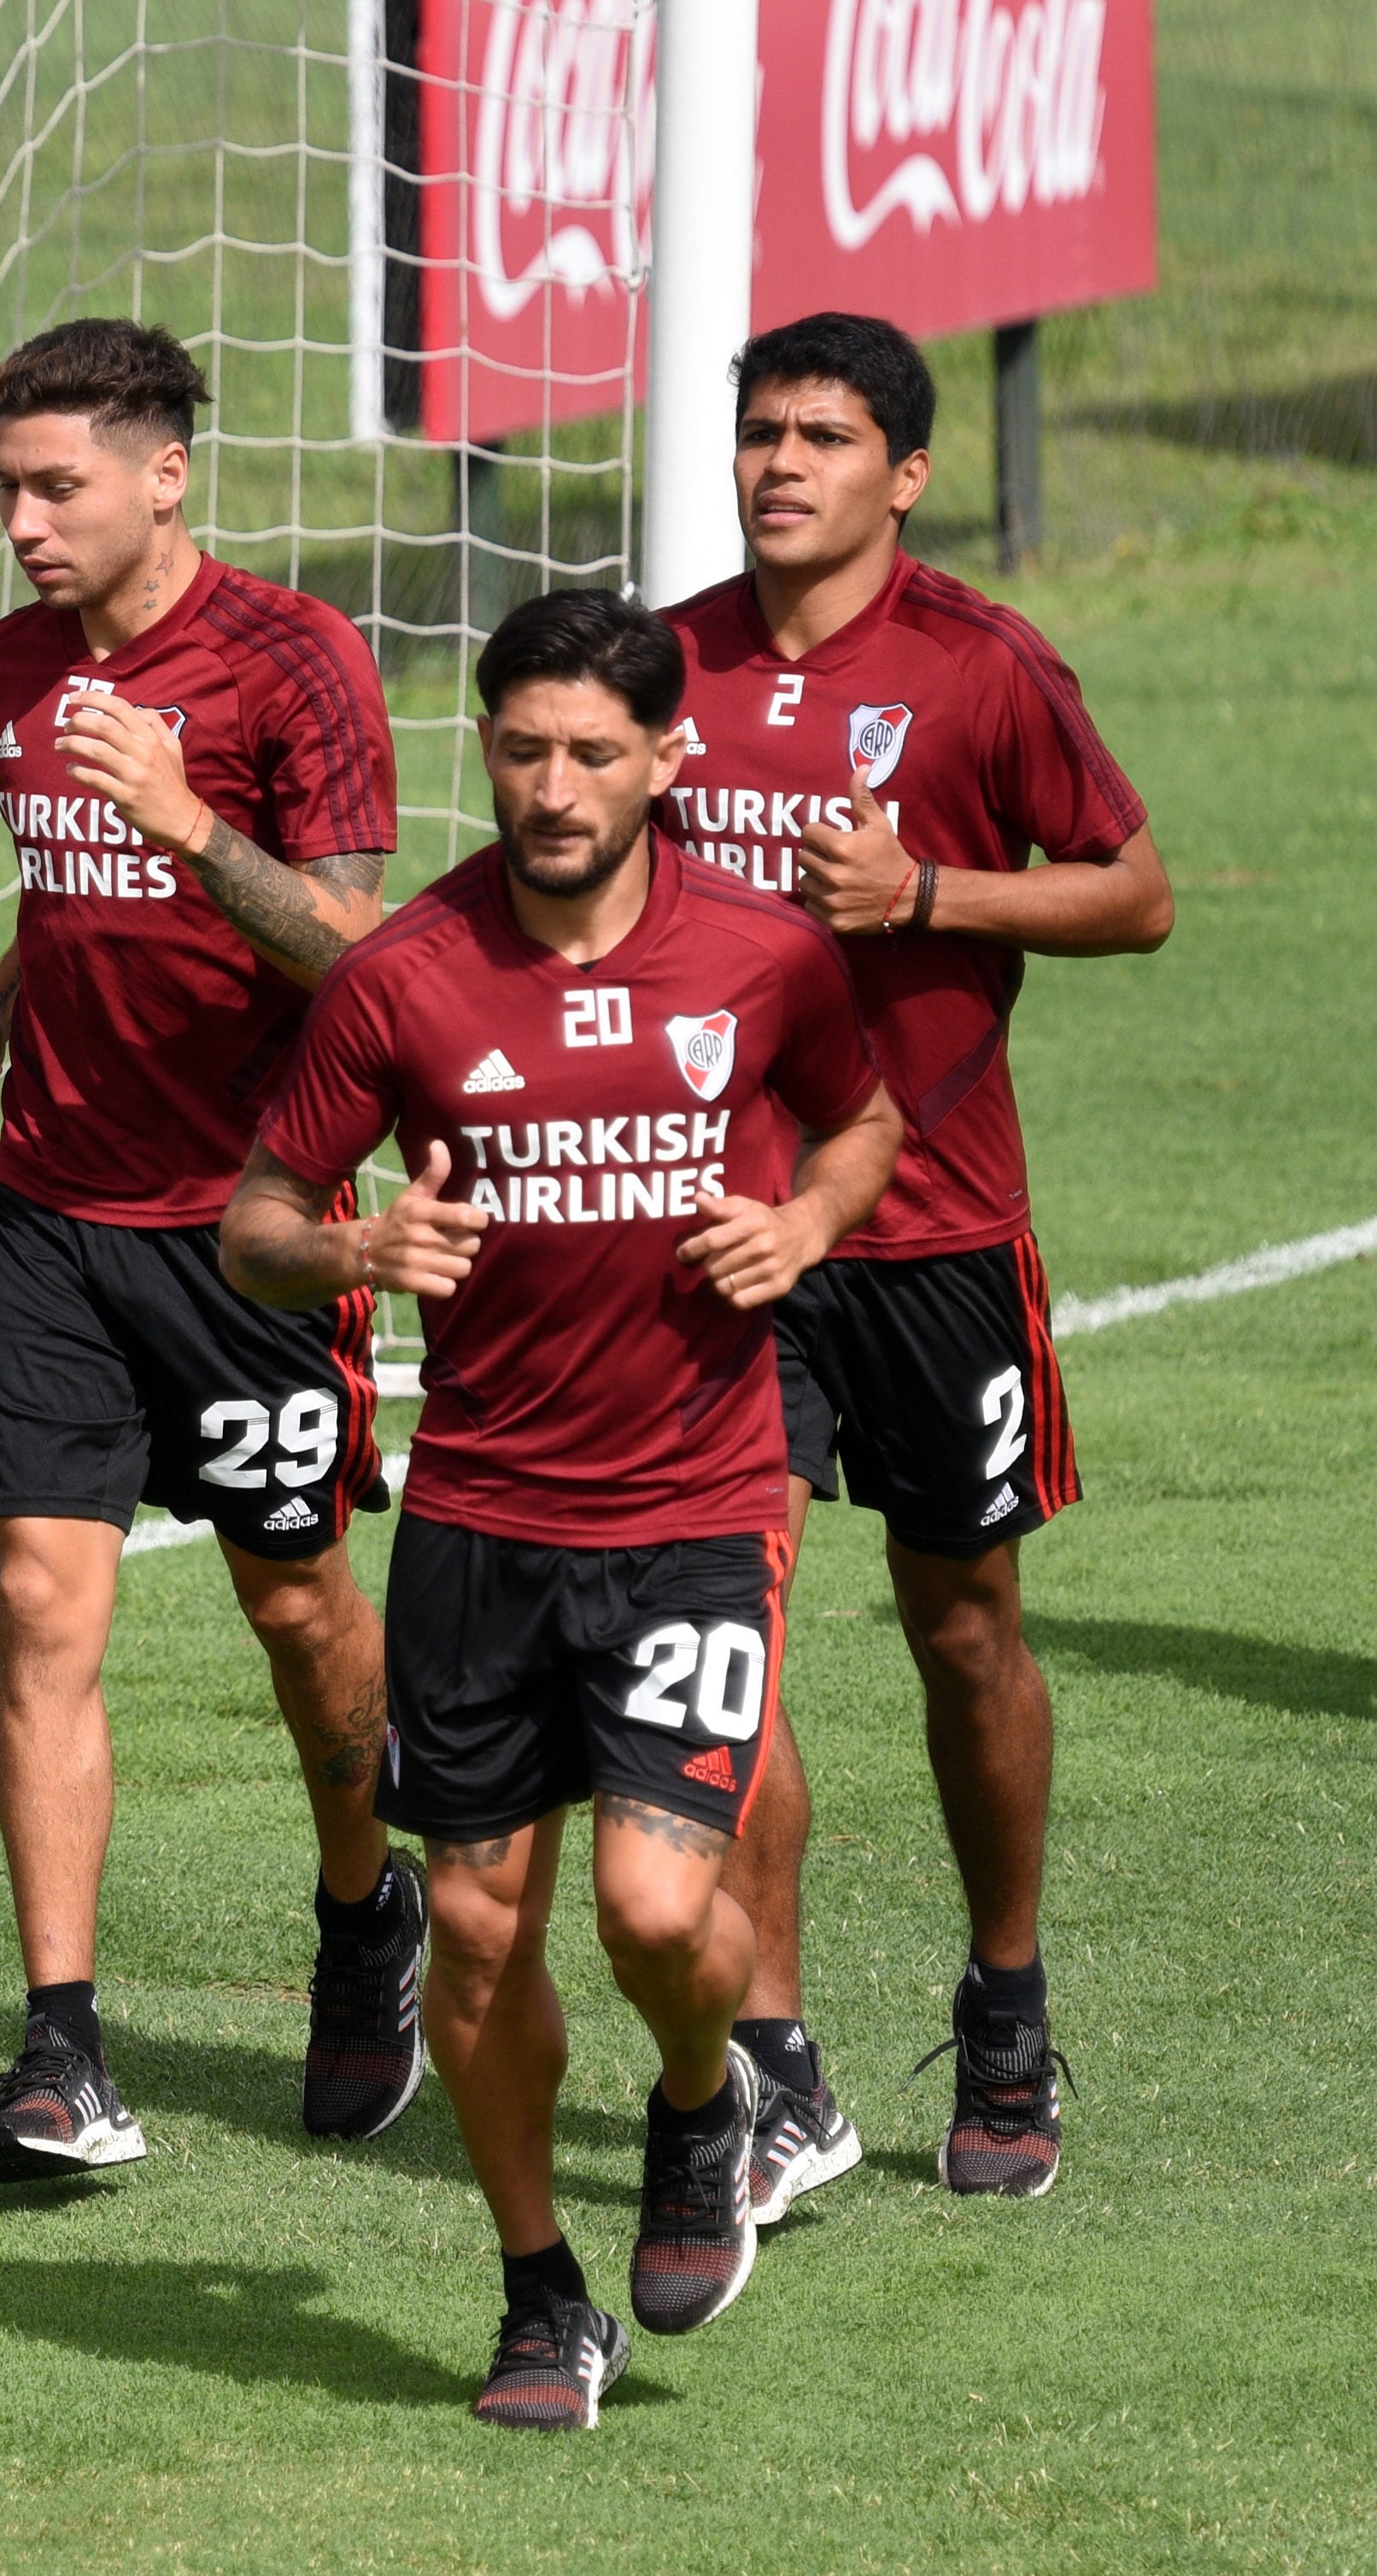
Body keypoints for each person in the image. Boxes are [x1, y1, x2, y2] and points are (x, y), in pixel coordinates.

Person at [225, 588, 899, 2431]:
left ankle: (704, 2103)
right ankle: (541, 2293)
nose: (552, 783)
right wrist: (357, 1239)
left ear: (667, 760)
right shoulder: (404, 976)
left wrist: (809, 1223)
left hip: (693, 1500)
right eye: (521, 744)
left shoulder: (766, 957)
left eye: (594, 749)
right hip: (480, 1521)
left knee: (658, 1905)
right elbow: (258, 1216)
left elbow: (861, 1123)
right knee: (473, 1926)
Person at [662, 313, 1171, 2211]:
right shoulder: (670, 665)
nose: (781, 462)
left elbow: (1136, 888)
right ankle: (777, 2057)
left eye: (824, 434)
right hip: (728, 1235)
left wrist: (931, 895)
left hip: (944, 1231)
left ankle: (1008, 1995)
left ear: (907, 471)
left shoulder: (979, 669)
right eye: (759, 431)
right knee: (734, 1626)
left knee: (964, 1632)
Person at [0, 317, 414, 2182]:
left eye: (61, 487)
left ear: (164, 475)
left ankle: (368, 1906)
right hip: (54, 1216)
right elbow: (71, 899)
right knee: (44, 1607)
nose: (28, 524)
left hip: (257, 1232)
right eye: (9, 489)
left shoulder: (299, 661)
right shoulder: (13, 663)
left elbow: (362, 956)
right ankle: (62, 2048)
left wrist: (191, 818)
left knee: (296, 1610)